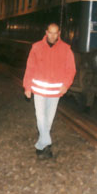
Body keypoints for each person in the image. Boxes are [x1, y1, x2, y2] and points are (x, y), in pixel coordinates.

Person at [23, 23, 76, 159]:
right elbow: (30, 67)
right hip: (39, 90)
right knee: (41, 117)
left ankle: (40, 147)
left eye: (55, 33)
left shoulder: (66, 49)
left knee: (48, 120)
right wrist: (27, 87)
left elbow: (71, 70)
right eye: (50, 33)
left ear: (59, 33)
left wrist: (66, 85)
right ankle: (47, 144)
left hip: (55, 91)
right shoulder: (36, 47)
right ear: (46, 32)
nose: (52, 36)